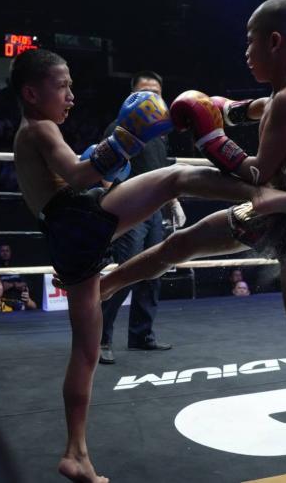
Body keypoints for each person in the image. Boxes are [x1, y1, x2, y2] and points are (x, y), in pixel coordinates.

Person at [10, 47, 286, 483]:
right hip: (78, 218)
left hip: (64, 236)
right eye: (62, 86)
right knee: (176, 178)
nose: (71, 96)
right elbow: (80, 176)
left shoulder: (30, 131)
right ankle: (272, 194)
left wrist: (112, 153)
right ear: (31, 93)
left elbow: (76, 176)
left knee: (85, 352)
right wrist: (126, 138)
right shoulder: (41, 128)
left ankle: (76, 453)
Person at [98, 0, 286, 482]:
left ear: (274, 42)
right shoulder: (280, 96)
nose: (245, 51)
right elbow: (241, 110)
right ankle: (106, 285)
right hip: (269, 210)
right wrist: (212, 107)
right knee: (181, 243)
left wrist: (207, 135)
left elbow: (257, 173)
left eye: (250, 41)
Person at [98, 71, 182, 365]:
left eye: (156, 93)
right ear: (131, 96)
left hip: (155, 210)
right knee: (126, 273)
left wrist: (173, 203)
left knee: (154, 270)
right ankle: (101, 338)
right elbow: (104, 171)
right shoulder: (119, 126)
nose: (151, 98)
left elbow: (162, 172)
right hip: (130, 210)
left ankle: (141, 335)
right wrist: (114, 206)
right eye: (144, 92)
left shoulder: (159, 133)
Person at [0, 243, 37, 308]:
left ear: (10, 252)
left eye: (7, 251)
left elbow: (25, 284)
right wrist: (14, 285)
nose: (5, 253)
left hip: (20, 300)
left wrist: (12, 285)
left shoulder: (18, 266)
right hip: (2, 302)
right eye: (2, 251)